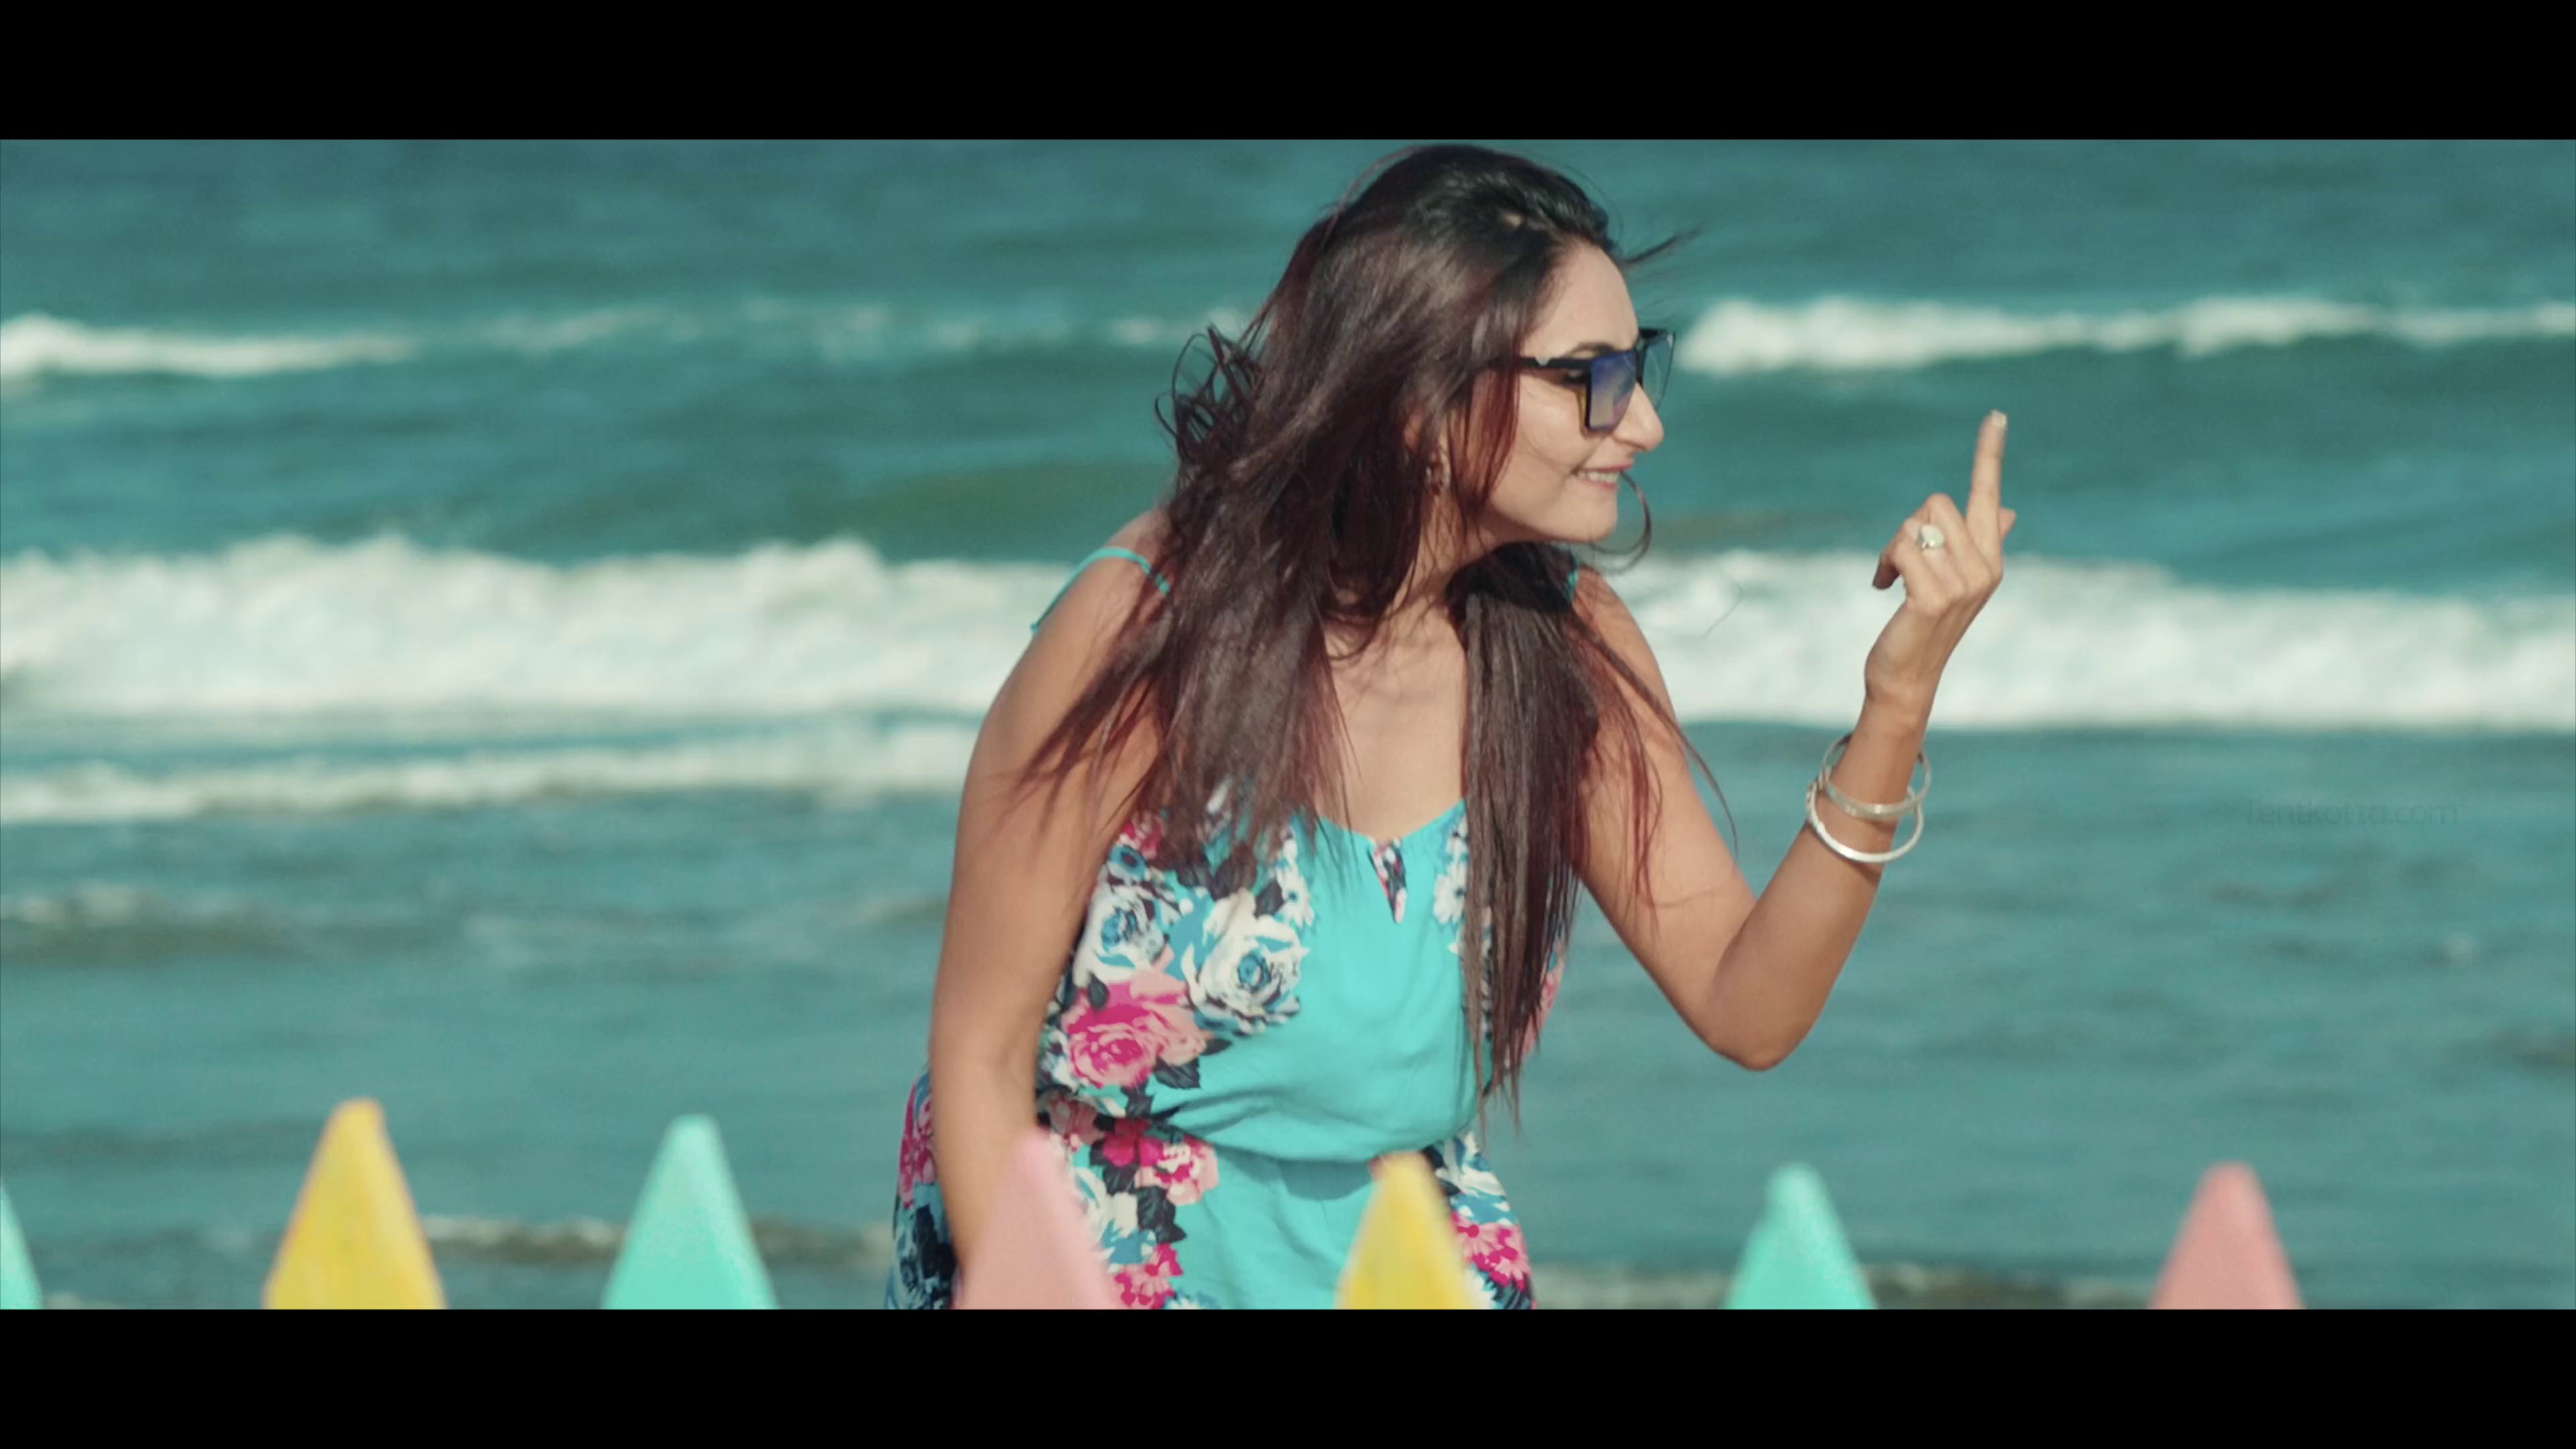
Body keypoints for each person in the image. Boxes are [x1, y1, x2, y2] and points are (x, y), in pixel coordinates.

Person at [885, 144, 2015, 1309]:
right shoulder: (1151, 627)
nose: (1642, 424)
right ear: (1423, 399)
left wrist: (1897, 703)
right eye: (1594, 377)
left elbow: (1750, 1005)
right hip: (1089, 1270)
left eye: (1640, 366)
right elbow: (979, 1053)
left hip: (1405, 1271)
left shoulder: (1564, 645)